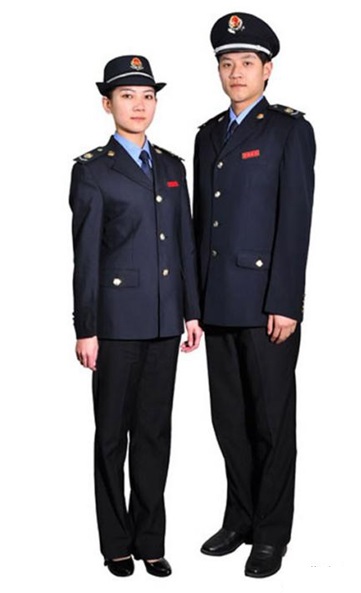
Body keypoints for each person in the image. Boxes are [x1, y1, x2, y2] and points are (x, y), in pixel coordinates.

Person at [69, 55, 202, 578]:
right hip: (116, 326)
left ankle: (151, 540)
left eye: (147, 96)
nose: (139, 105)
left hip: (166, 323)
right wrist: (86, 328)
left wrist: (191, 312)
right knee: (111, 437)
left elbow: (185, 245)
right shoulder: (92, 170)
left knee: (154, 435)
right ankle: (116, 543)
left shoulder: (171, 167)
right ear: (108, 104)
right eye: (127, 96)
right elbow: (86, 257)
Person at [193, 13, 316, 578]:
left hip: (267, 304)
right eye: (227, 62)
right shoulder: (207, 135)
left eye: (247, 62)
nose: (236, 72)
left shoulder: (288, 130)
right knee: (229, 421)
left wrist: (286, 301)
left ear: (267, 70)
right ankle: (239, 518)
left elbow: (295, 221)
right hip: (217, 302)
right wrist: (193, 305)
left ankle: (270, 533)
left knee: (271, 424)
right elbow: (202, 226)